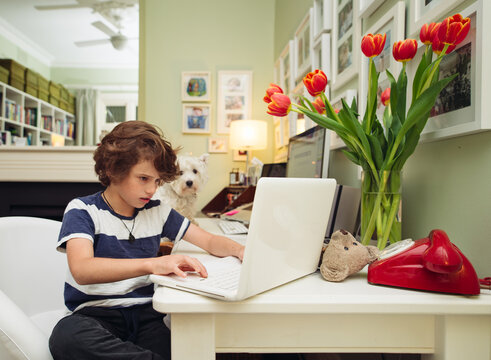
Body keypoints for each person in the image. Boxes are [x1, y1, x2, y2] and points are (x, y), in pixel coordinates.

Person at [49, 120, 244, 360]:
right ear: (113, 169)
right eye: (143, 178)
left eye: (157, 181)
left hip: (147, 315)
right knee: (66, 338)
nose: (152, 190)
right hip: (95, 314)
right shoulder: (82, 210)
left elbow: (210, 241)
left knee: (188, 341)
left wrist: (241, 250)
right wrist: (152, 264)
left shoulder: (158, 210)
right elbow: (82, 269)